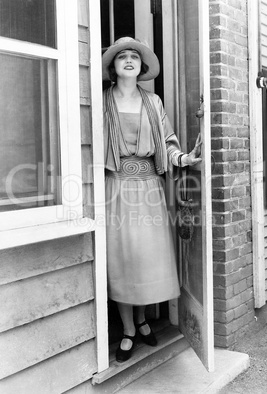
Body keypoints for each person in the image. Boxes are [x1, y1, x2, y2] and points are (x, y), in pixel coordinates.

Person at [102, 37, 201, 362]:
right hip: (116, 189)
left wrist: (185, 159)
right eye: (122, 57)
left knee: (146, 260)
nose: (129, 61)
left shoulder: (154, 102)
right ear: (114, 67)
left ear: (141, 67)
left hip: (149, 190)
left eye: (134, 57)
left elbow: (168, 143)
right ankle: (129, 330)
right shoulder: (104, 103)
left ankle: (144, 320)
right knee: (123, 261)